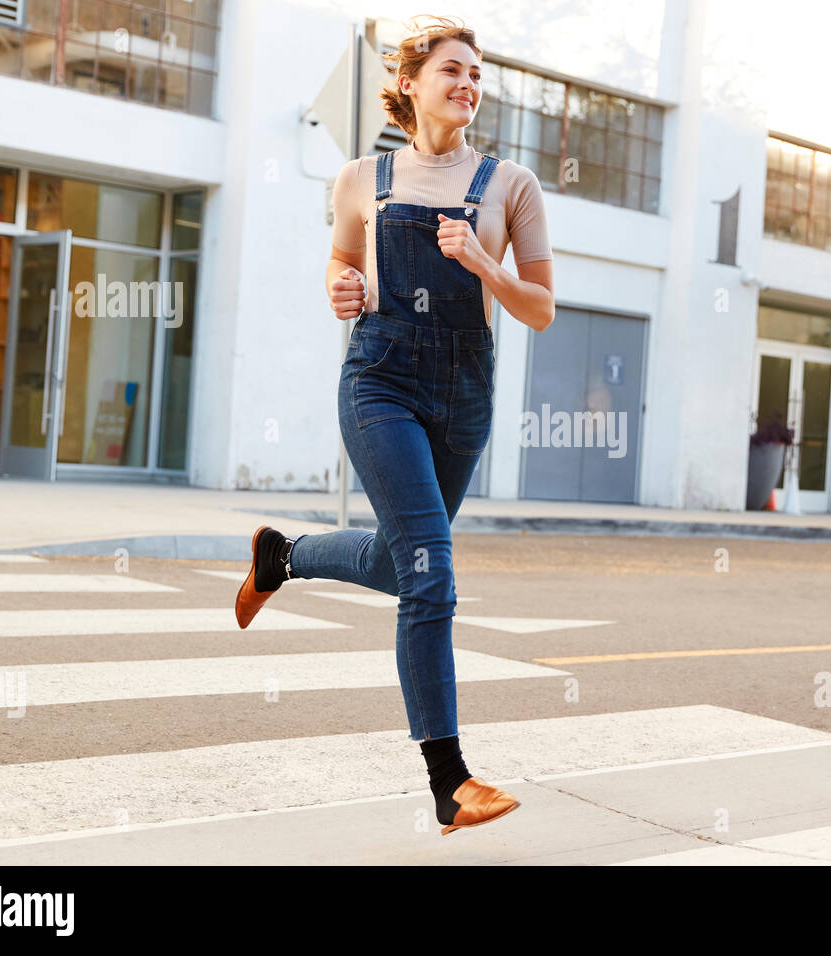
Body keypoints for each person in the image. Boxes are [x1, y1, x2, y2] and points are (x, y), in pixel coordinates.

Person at [234, 16, 555, 836]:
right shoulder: (359, 180)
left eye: (478, 74)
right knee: (433, 575)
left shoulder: (511, 185)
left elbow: (543, 310)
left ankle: (285, 555)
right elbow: (343, 267)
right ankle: (450, 782)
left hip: (466, 393)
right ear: (410, 84)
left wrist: (485, 264)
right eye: (453, 69)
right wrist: (341, 289)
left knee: (398, 560)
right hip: (381, 381)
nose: (469, 84)